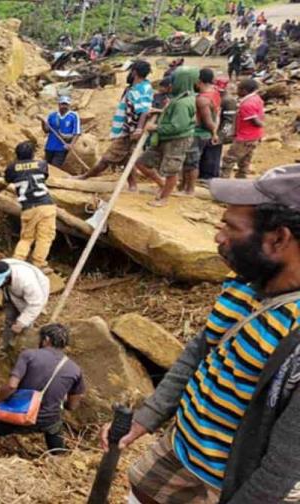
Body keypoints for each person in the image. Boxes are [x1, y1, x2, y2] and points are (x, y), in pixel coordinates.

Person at [102, 165, 300, 503]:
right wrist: (147, 417)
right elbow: (200, 351)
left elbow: (285, 462)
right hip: (182, 447)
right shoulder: (245, 283)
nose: (218, 237)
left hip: (233, 482)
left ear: (279, 239)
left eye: (232, 228)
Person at [0, 323, 84, 455]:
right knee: (56, 430)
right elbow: (72, 405)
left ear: (46, 339)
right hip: (47, 420)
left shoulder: (29, 355)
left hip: (17, 415)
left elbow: (11, 386)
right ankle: (59, 458)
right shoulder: (75, 369)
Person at [76, 60, 153, 183]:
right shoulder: (136, 88)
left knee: (107, 158)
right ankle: (133, 185)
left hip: (130, 131)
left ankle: (85, 177)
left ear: (134, 72)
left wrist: (138, 129)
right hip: (127, 129)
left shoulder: (141, 89)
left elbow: (144, 110)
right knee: (128, 158)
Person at [133, 66, 199, 207]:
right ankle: (162, 184)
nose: (171, 84)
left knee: (171, 169)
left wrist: (155, 127)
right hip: (164, 138)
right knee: (141, 162)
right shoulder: (179, 98)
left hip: (176, 140)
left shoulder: (183, 103)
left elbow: (177, 126)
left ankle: (164, 198)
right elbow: (173, 117)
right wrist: (160, 111)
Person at [0, 141, 57, 272]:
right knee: (45, 237)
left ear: (16, 155)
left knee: (26, 238)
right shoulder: (42, 164)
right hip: (46, 205)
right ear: (32, 154)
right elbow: (43, 177)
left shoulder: (12, 168)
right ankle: (39, 263)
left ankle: (17, 261)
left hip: (28, 207)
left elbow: (5, 183)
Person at [0, 259, 50, 350]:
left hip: (31, 299)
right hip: (10, 293)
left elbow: (35, 304)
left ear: (7, 277)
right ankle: (6, 347)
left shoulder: (27, 282)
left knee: (25, 325)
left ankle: (23, 350)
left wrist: (21, 323)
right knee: (10, 319)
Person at [221, 78, 264, 179]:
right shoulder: (257, 99)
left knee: (229, 159)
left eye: (238, 89)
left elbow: (256, 122)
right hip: (254, 136)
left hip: (245, 137)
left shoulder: (247, 104)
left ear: (244, 90)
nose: (236, 91)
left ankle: (224, 179)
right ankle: (241, 179)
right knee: (245, 161)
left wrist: (223, 134)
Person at [193, 68, 222, 186]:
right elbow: (217, 113)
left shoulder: (203, 98)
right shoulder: (215, 92)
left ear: (199, 81)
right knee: (209, 157)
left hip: (202, 132)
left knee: (195, 159)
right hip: (212, 129)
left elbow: (207, 120)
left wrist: (214, 132)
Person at [40, 95, 81, 169]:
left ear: (69, 105)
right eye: (62, 104)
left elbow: (77, 132)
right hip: (49, 147)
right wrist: (43, 122)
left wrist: (71, 145)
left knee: (55, 168)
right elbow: (46, 130)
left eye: (66, 104)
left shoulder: (74, 116)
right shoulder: (52, 115)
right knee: (46, 168)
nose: (64, 106)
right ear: (59, 105)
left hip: (62, 148)